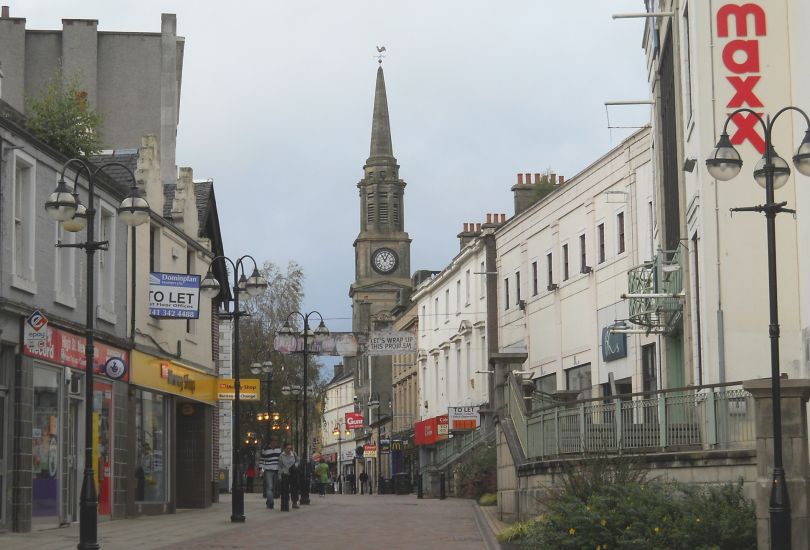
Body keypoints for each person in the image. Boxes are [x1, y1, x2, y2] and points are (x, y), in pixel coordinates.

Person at [259, 438, 281, 509]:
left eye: (276, 442)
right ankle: (271, 502)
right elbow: (262, 460)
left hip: (276, 470)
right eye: (273, 441)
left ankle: (269, 501)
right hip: (268, 470)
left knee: (273, 488)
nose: (275, 443)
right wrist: (261, 470)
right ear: (271, 442)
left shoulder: (279, 449)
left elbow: (281, 459)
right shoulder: (265, 450)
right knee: (270, 486)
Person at [279, 443, 300, 511]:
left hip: (293, 473)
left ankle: (294, 503)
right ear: (284, 449)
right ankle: (285, 503)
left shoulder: (293, 454)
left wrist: (296, 465)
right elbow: (280, 466)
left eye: (290, 448)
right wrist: (280, 474)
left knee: (294, 488)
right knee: (285, 489)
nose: (289, 450)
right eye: (287, 448)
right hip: (285, 473)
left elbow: (297, 460)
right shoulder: (281, 456)